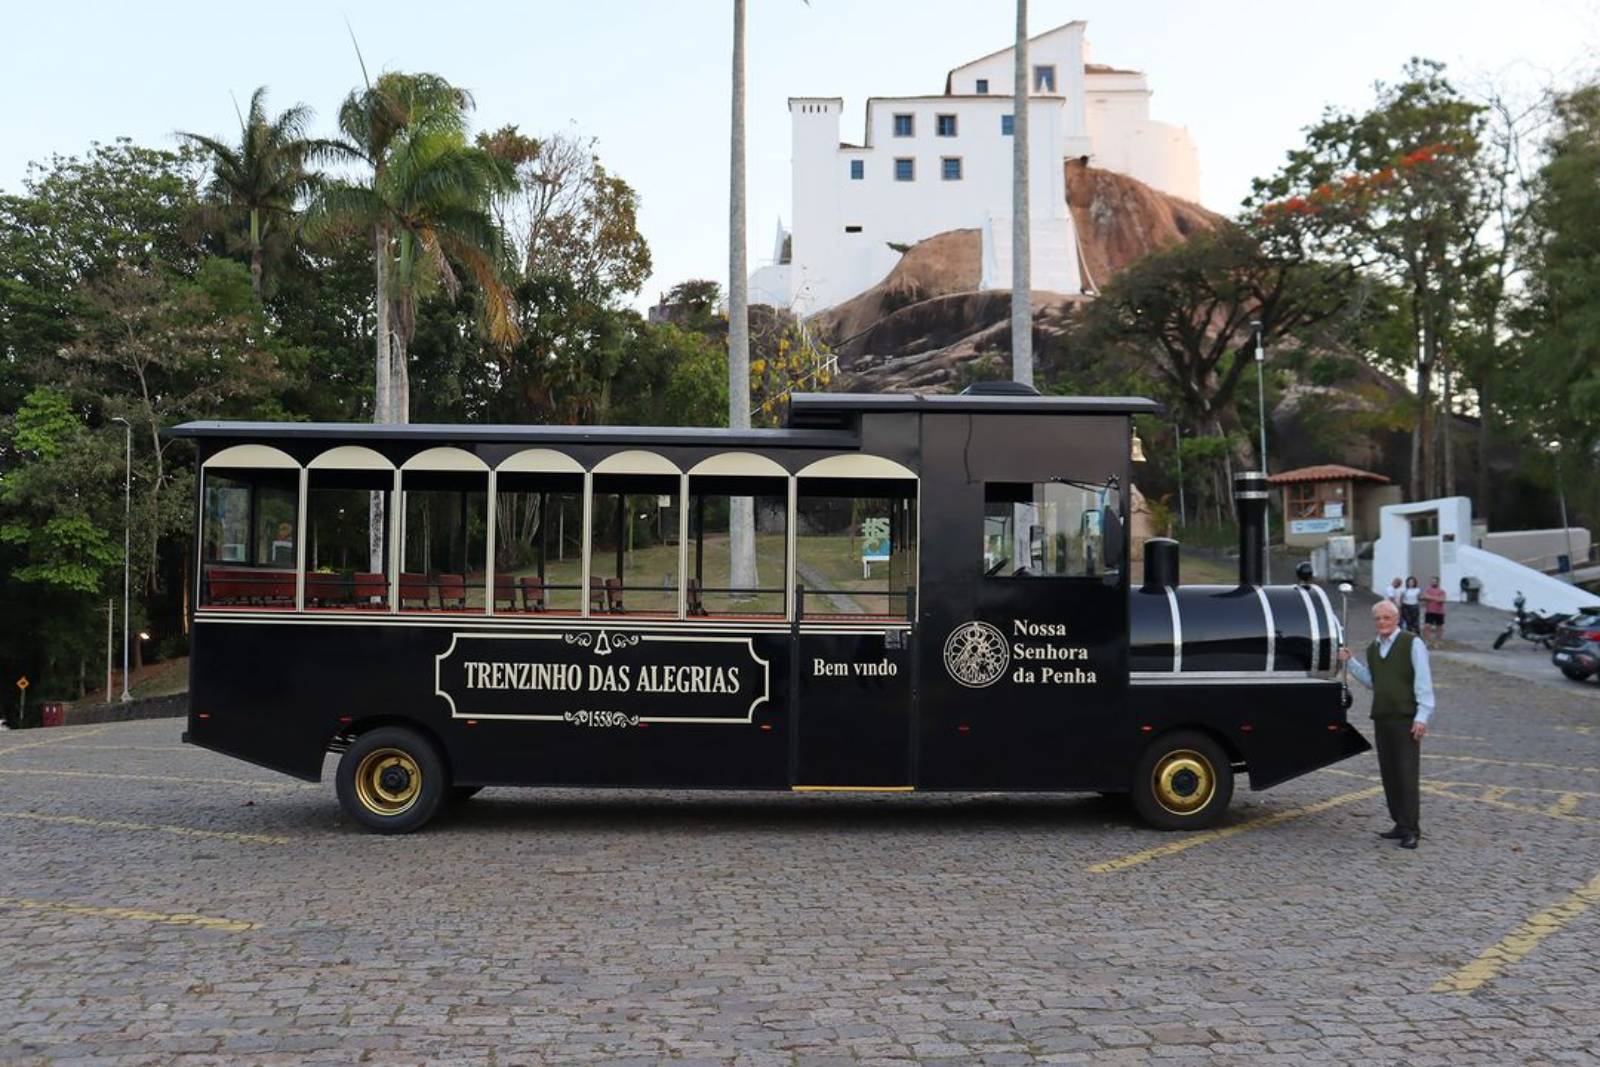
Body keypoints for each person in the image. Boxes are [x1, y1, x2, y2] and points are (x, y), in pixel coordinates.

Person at [1340, 599, 1435, 849]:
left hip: (1405, 719)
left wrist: (1422, 716)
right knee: (1390, 774)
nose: (1382, 622)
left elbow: (1423, 681)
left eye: (1386, 618)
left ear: (1396, 619)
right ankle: (1399, 823)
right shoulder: (1374, 648)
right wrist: (1350, 662)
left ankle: (1411, 828)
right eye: (1378, 619)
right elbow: (1373, 681)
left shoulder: (1411, 643)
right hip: (1383, 717)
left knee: (1406, 774)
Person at [1421, 576, 1448, 642]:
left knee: (1439, 627)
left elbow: (1442, 599)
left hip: (1439, 612)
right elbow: (1424, 596)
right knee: (1427, 626)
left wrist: (1430, 597)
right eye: (1432, 581)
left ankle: (1438, 641)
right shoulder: (1427, 590)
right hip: (1429, 611)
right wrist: (1437, 598)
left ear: (1438, 582)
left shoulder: (1442, 591)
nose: (1433, 582)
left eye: (1435, 581)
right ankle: (1427, 641)